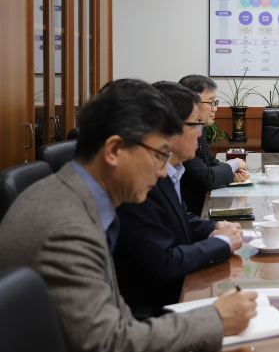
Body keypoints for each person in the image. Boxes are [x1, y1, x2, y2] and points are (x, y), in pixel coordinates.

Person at [0, 79, 257, 351]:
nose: (162, 172)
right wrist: (216, 319)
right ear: (114, 151)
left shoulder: (83, 197)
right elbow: (110, 342)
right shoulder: (65, 227)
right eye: (159, 155)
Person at [114, 82, 244, 317]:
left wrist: (215, 228)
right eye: (196, 123)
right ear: (167, 129)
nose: (201, 130)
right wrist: (221, 242)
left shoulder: (168, 171)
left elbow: (179, 217)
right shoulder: (137, 179)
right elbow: (164, 262)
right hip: (150, 313)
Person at [179, 74, 249, 215]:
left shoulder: (200, 129)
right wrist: (234, 163)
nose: (215, 108)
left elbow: (210, 161)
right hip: (191, 212)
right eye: (210, 102)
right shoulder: (180, 135)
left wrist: (232, 172)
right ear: (191, 103)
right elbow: (207, 178)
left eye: (215, 102)